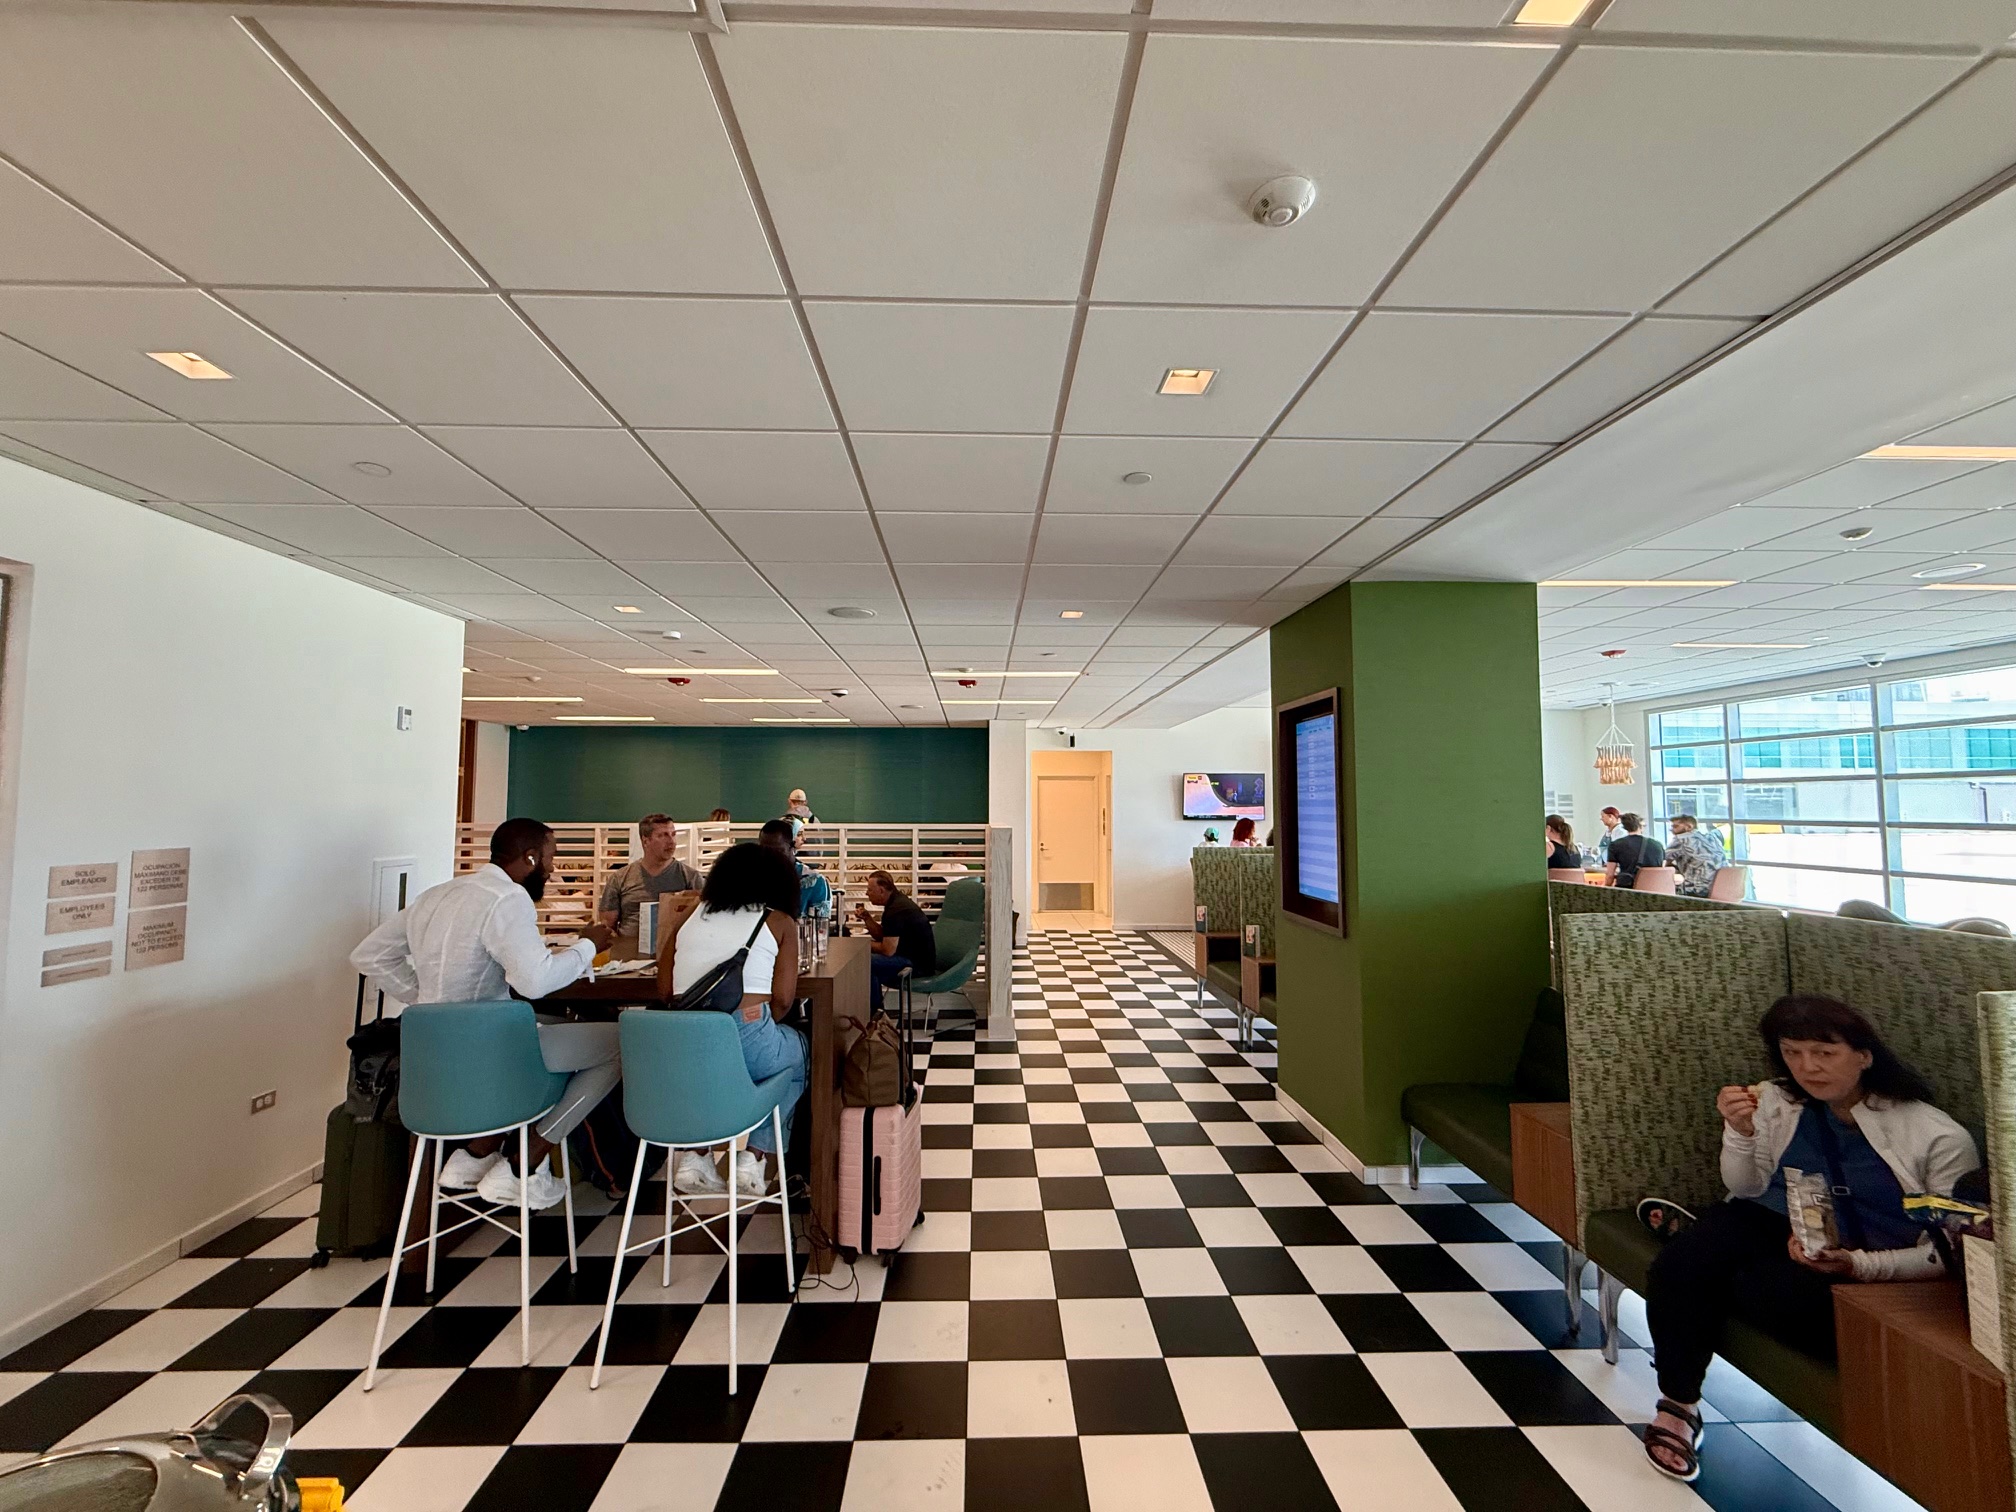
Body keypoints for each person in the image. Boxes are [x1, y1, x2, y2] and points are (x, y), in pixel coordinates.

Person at [1639, 995, 1976, 1482]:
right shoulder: (1779, 1100)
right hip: (1776, 1219)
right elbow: (1746, 1187)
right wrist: (1738, 1131)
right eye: (1792, 1053)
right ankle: (1678, 1407)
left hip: (1879, 1260)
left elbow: (1952, 1254)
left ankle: (1703, 1252)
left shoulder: (1936, 1137)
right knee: (1679, 1265)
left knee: (1760, 1292)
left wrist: (1858, 1265)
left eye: (1824, 1052)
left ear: (1864, 1055)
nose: (1807, 1067)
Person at [350, 818, 620, 1211]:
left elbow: (368, 956)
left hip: (433, 1068)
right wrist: (585, 947)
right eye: (550, 858)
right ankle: (528, 1160)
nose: (553, 868)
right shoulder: (507, 898)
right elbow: (535, 983)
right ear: (530, 858)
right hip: (493, 1061)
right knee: (621, 1042)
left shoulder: (435, 896)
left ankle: (477, 1153)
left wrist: (424, 998)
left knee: (560, 1027)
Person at [655, 842, 807, 1198]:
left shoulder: (690, 915)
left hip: (685, 1047)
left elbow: (664, 990)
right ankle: (753, 1158)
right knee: (801, 1054)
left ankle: (696, 1155)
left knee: (712, 1068)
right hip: (746, 1035)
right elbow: (784, 1000)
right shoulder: (778, 921)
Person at [597, 814, 701, 944]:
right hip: (628, 957)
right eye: (662, 835)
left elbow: (703, 921)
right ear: (646, 841)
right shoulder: (620, 878)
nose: (671, 841)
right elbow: (607, 926)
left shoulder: (690, 877)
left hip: (673, 954)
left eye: (673, 834)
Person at [853, 869, 935, 1013]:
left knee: (865, 963)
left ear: (881, 890)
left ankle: (875, 1015)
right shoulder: (896, 903)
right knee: (869, 967)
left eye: (870, 890)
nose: (867, 894)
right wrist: (867, 918)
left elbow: (887, 950)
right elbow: (884, 936)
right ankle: (874, 1012)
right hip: (916, 959)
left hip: (916, 965)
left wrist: (861, 945)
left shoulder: (896, 910)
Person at [759, 818, 831, 917]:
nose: (771, 856)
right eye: (765, 851)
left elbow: (820, 927)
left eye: (778, 851)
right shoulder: (752, 879)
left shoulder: (815, 881)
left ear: (792, 845)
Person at [1666, 813, 1727, 898]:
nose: (1671, 830)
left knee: (1662, 886)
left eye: (1675, 827)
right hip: (1721, 887)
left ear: (1689, 827)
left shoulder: (1682, 839)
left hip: (1697, 889)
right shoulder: (1710, 838)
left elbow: (1662, 860)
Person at [1603, 812, 1665, 889]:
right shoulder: (1658, 845)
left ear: (1624, 827)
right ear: (1641, 827)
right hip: (1656, 890)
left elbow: (1610, 875)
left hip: (1629, 892)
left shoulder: (1615, 845)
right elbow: (1662, 869)